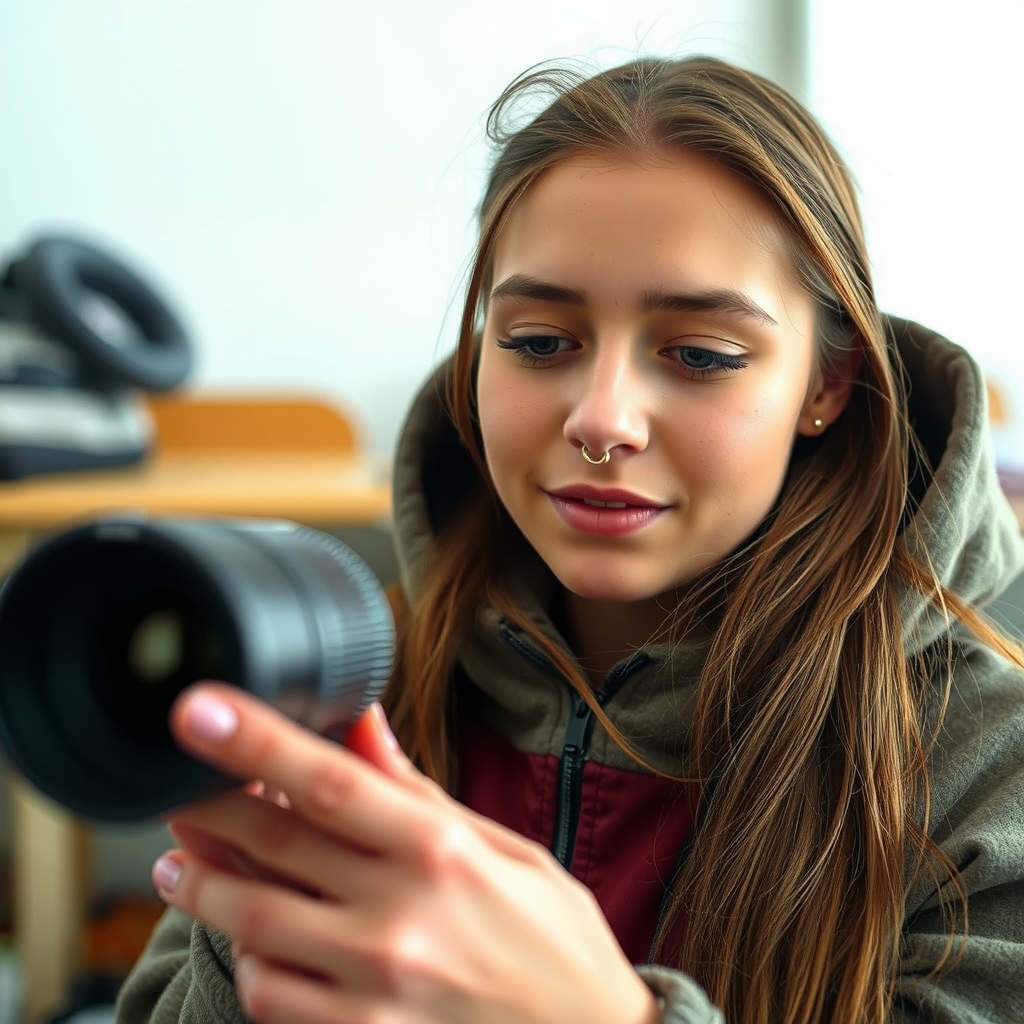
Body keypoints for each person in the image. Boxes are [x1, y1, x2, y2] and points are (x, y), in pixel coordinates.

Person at [114, 55, 1024, 1024]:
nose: (602, 420)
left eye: (700, 354)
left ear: (825, 384)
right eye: (539, 343)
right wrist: (268, 924)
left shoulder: (985, 763)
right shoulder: (353, 685)